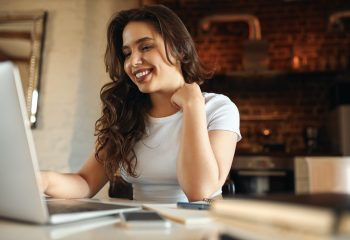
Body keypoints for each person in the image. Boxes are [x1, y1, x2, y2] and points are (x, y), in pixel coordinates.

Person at [40, 4, 241, 203]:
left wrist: (193, 105)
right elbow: (85, 182)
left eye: (145, 47)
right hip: (141, 228)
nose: (133, 62)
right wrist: (44, 180)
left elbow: (200, 192)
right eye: (127, 53)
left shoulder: (218, 108)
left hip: (201, 231)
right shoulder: (126, 114)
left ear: (179, 49)